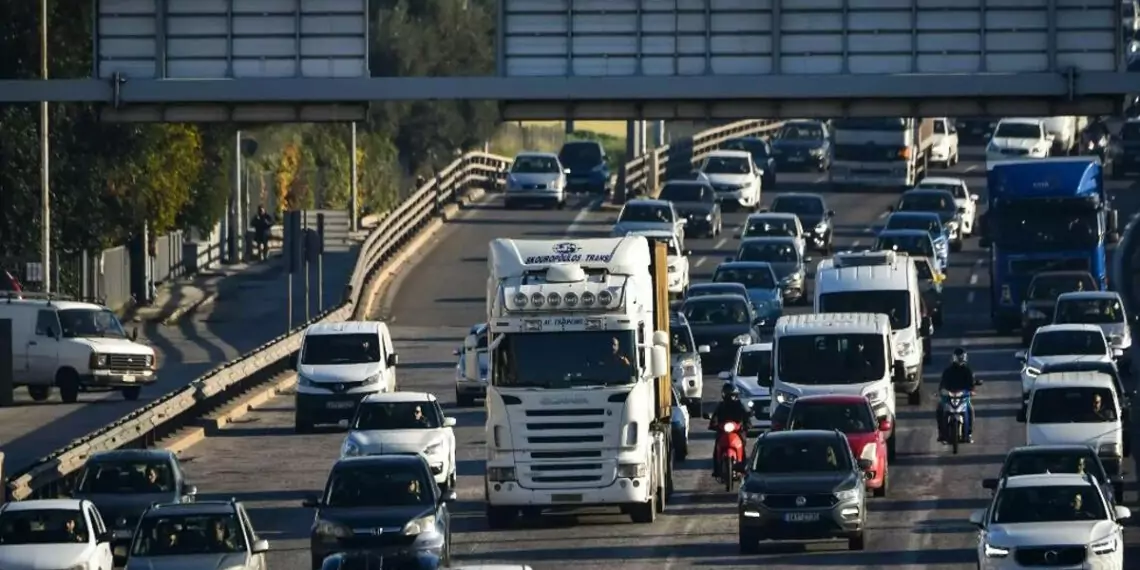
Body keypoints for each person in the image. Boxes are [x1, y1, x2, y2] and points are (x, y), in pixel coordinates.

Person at [708, 383, 752, 476]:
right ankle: (717, 469)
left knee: (742, 444)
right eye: (728, 395)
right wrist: (714, 424)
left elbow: (746, 416)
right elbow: (715, 417)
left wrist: (746, 425)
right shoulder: (721, 406)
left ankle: (743, 466)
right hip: (723, 430)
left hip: (737, 431)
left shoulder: (740, 406)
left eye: (732, 395)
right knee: (717, 447)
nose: (731, 398)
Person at [937, 348, 977, 443]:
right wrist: (941, 391)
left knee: (970, 409)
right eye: (958, 358)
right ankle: (941, 433)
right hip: (949, 396)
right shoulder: (948, 371)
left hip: (963, 397)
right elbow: (942, 384)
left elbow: (972, 385)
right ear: (954, 358)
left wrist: (971, 391)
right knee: (939, 408)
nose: (960, 360)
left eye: (961, 358)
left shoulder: (968, 371)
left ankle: (969, 433)